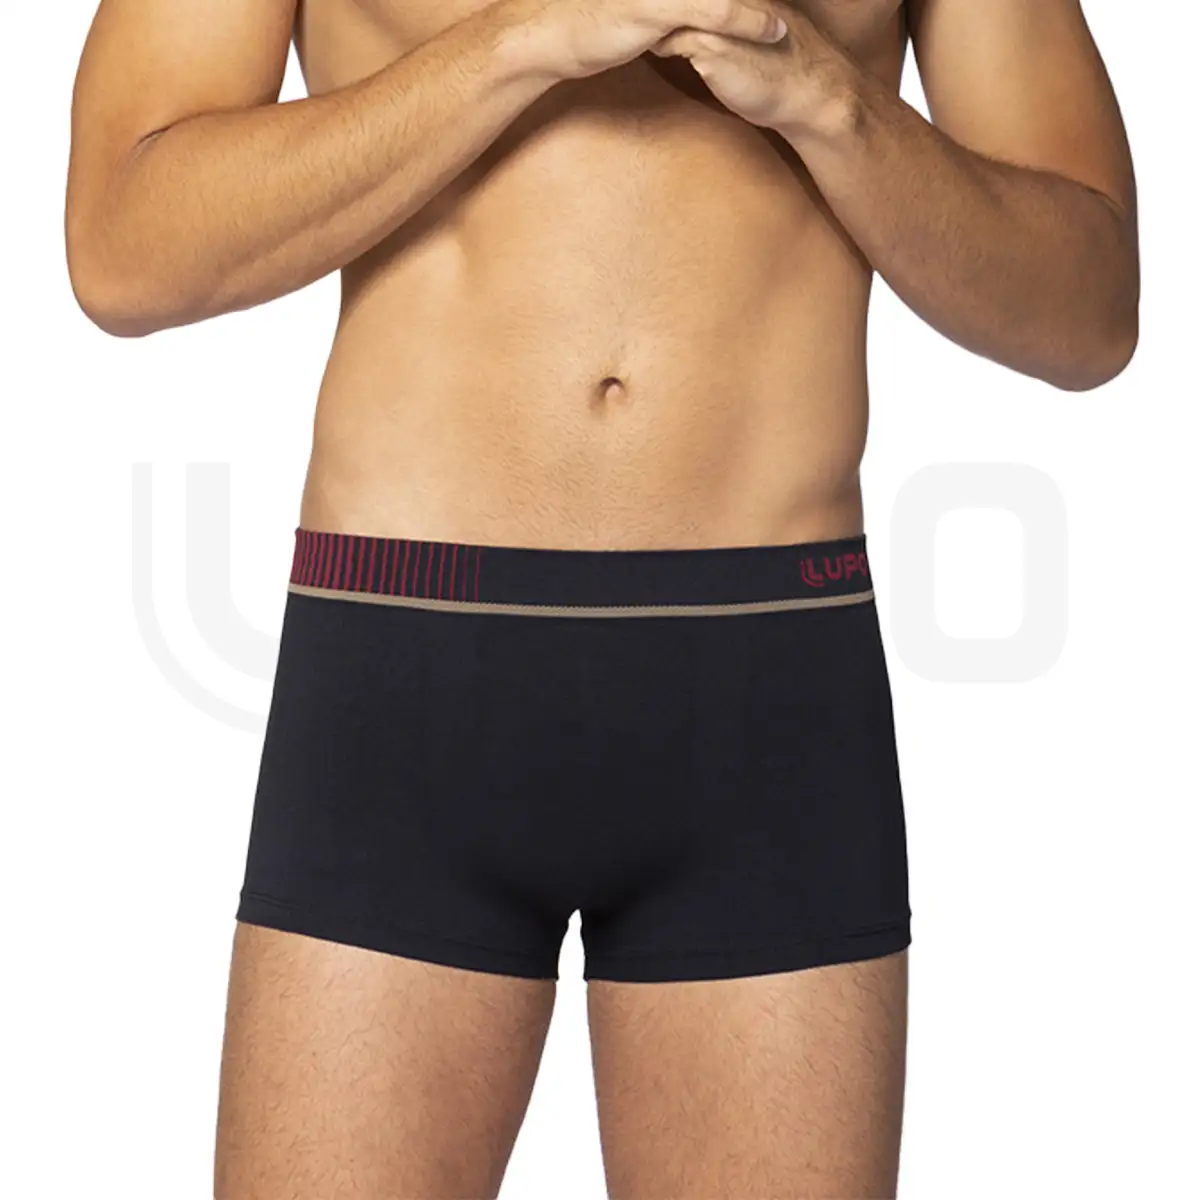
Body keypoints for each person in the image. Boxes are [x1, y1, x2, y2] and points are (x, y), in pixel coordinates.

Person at [65, 0, 1138, 1195]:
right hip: (406, 671)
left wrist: (826, 100)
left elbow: (1091, 310)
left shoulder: (828, 83)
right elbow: (123, 246)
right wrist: (518, 39)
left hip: (767, 684)